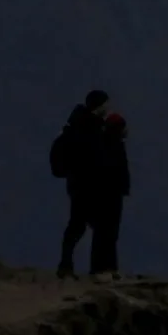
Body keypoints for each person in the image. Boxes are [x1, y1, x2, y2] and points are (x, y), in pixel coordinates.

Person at [57, 89, 130, 279]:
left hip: (80, 184)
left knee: (80, 225)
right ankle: (99, 268)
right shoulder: (91, 127)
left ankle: (69, 265)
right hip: (89, 186)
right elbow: (97, 159)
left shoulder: (80, 124)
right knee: (97, 227)